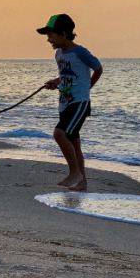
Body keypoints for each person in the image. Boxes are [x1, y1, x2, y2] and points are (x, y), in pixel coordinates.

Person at [37, 13, 103, 191]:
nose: (48, 39)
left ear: (63, 34)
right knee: (73, 142)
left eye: (50, 35)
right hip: (65, 102)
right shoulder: (59, 54)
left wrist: (87, 88)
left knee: (60, 134)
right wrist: (57, 82)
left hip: (79, 102)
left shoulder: (80, 52)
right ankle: (82, 182)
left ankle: (74, 173)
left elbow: (98, 68)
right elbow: (66, 74)